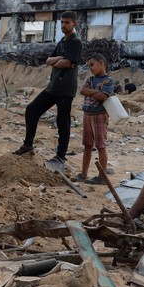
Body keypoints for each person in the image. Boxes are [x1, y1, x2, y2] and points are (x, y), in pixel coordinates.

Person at [13, 11, 83, 171]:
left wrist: (58, 61)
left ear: (74, 24)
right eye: (62, 22)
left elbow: (68, 63)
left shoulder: (75, 42)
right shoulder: (61, 42)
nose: (64, 25)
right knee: (32, 110)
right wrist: (59, 59)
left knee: (62, 121)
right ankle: (28, 145)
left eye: (67, 22)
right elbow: (49, 60)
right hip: (53, 87)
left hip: (65, 89)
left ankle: (61, 156)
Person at [73, 54, 114, 185]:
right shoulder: (91, 79)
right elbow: (82, 90)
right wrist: (95, 93)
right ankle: (83, 173)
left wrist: (90, 92)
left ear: (101, 63)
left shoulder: (108, 81)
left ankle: (102, 176)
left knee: (101, 146)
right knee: (87, 145)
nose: (90, 68)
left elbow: (103, 96)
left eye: (92, 65)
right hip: (87, 115)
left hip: (99, 116)